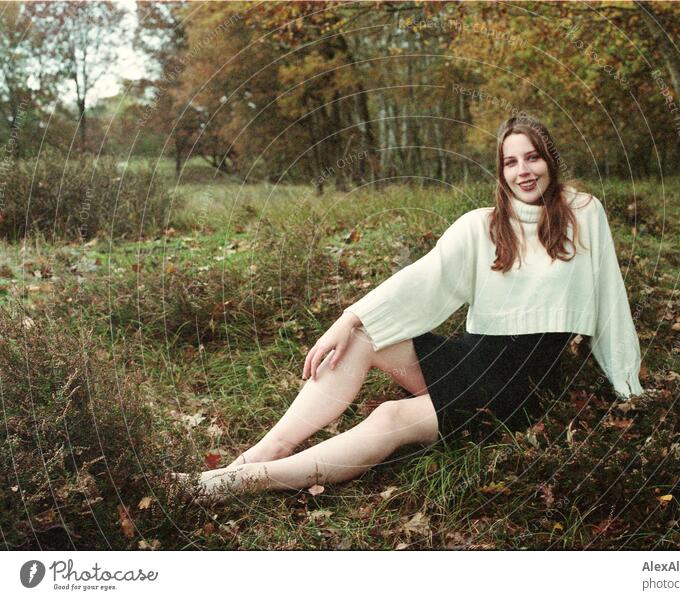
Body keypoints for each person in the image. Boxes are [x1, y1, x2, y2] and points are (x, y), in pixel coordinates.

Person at [172, 115, 645, 503]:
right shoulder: (482, 225)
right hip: (473, 358)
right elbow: (421, 279)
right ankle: (262, 452)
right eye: (510, 162)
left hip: (517, 388)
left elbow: (610, 302)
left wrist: (629, 387)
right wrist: (347, 319)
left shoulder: (584, 213)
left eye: (533, 157)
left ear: (550, 160)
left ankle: (246, 482)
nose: (523, 171)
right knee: (361, 337)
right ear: (500, 172)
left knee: (390, 419)